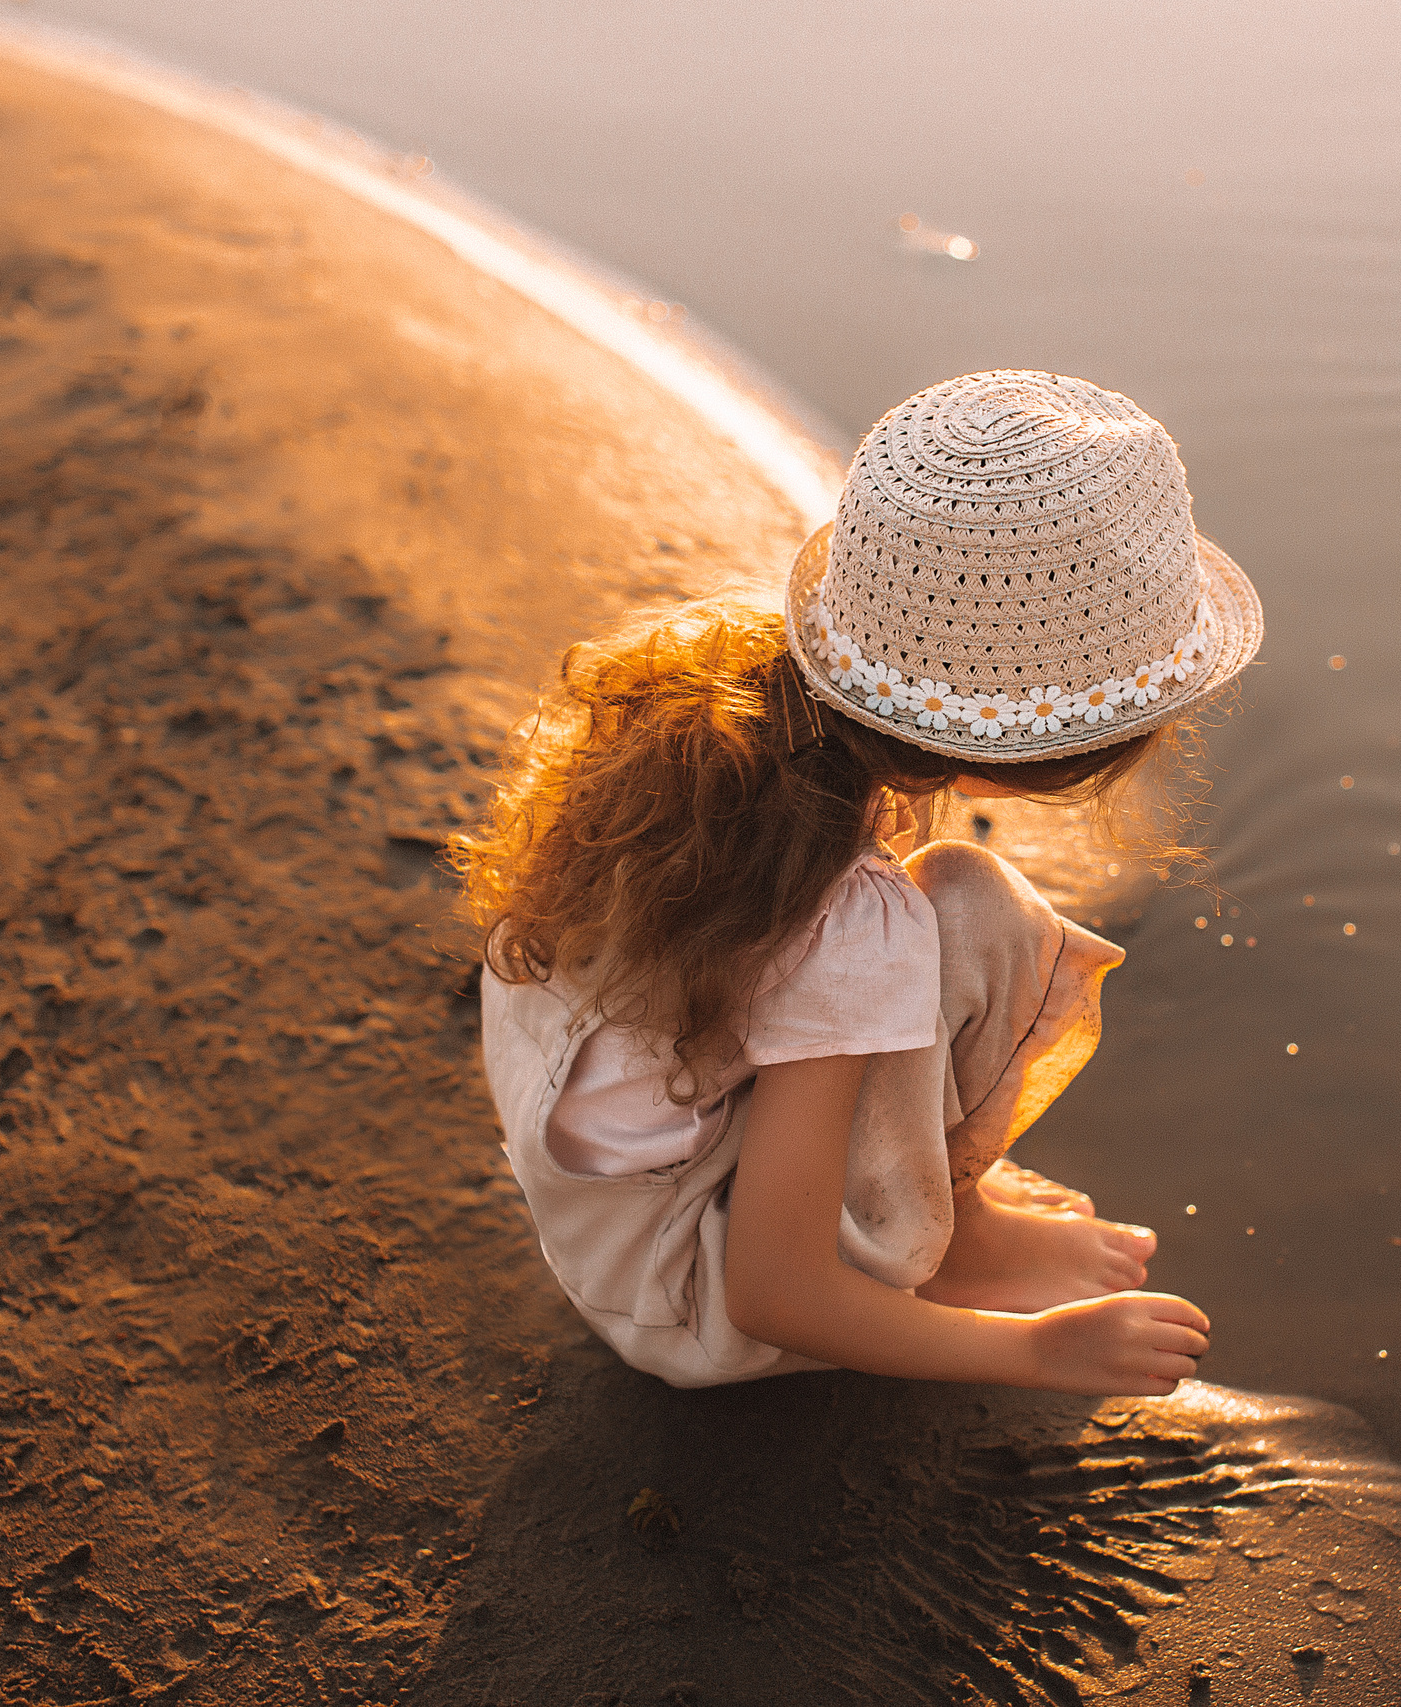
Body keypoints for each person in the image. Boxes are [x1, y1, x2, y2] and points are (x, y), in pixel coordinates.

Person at [456, 370, 1262, 1394]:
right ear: (1034, 755)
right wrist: (1034, 1353)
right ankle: (944, 1246)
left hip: (598, 1201)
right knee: (978, 914)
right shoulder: (847, 924)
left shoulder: (726, 705)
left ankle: (945, 1214)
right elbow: (772, 1294)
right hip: (689, 1298)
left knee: (931, 915)